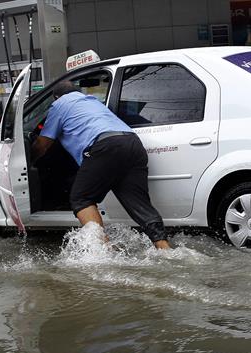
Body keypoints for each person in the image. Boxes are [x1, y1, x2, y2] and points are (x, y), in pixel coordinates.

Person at [31, 81, 171, 249]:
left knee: (81, 198)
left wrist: (30, 159)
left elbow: (43, 144)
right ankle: (164, 247)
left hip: (105, 146)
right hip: (133, 143)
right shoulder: (92, 101)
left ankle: (102, 252)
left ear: (56, 97)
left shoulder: (60, 104)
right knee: (138, 202)